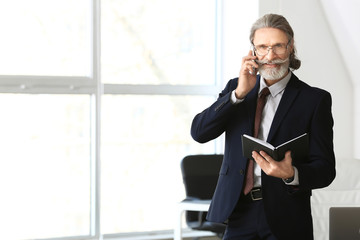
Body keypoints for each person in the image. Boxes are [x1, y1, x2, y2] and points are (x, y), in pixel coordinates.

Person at [190, 14, 336, 240]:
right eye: (262, 47)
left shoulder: (315, 100)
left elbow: (325, 169)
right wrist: (237, 95)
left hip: (287, 216)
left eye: (278, 46)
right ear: (253, 51)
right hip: (238, 212)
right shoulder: (236, 89)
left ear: (290, 47)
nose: (270, 56)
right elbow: (199, 133)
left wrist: (292, 173)